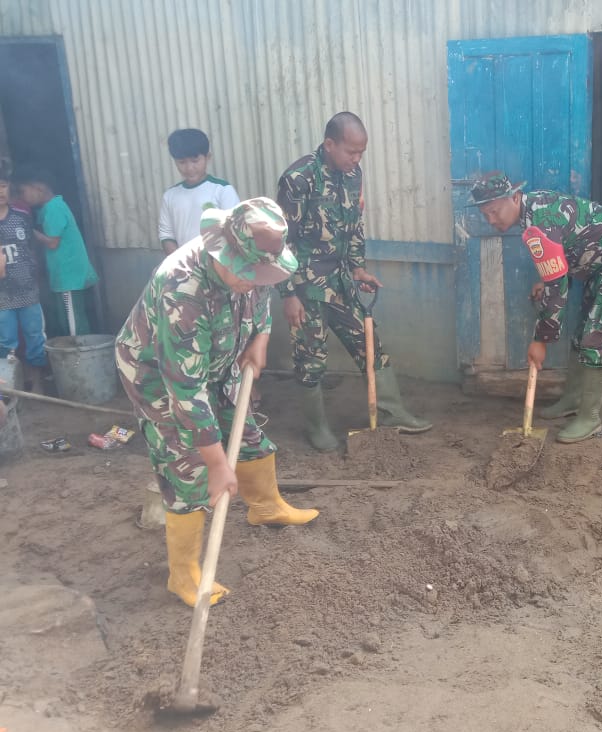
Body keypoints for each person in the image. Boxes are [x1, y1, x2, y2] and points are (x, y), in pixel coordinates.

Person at [116, 197, 319, 608]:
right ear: (221, 252)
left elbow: (259, 296)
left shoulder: (254, 266)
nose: (253, 279)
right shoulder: (182, 289)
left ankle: (265, 506)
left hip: (217, 359)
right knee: (186, 461)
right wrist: (215, 464)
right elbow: (186, 393)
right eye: (245, 272)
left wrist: (260, 339)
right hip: (161, 377)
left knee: (246, 432)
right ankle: (185, 575)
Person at [276, 111, 430, 451]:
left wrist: (358, 268)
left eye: (362, 152)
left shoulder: (352, 174)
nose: (357, 159)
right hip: (306, 287)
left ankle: (392, 412)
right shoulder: (298, 179)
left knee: (369, 342)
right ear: (329, 144)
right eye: (351, 152)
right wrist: (288, 294)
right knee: (311, 359)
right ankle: (317, 428)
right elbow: (280, 242)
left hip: (342, 281)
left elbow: (354, 223)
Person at [470, 172, 602, 442]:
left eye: (495, 211)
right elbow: (564, 251)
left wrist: (540, 341)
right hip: (601, 265)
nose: (491, 220)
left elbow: (557, 290)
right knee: (582, 335)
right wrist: (549, 280)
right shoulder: (532, 209)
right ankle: (573, 400)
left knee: (597, 339)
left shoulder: (537, 226)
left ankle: (590, 418)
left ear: (514, 197)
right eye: (486, 215)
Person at [13, 165, 98, 337]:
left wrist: (29, 230)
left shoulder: (54, 208)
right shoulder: (49, 208)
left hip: (69, 276)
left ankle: (80, 356)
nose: (23, 197)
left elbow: (52, 243)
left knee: (73, 322)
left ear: (39, 188)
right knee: (67, 319)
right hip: (63, 276)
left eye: (23, 191)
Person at [0, 160, 46, 391]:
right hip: (2, 296)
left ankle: (35, 383)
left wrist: (33, 277)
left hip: (28, 291)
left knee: (34, 338)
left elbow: (30, 250)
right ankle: (10, 389)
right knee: (6, 342)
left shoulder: (21, 216)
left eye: (3, 185)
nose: (0, 191)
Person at [159, 128, 240, 255]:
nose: (189, 168)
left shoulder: (222, 190)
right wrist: (180, 264)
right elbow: (166, 234)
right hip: (186, 269)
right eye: (182, 162)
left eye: (195, 161)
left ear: (207, 157)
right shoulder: (170, 196)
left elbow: (236, 231)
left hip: (220, 266)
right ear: (174, 161)